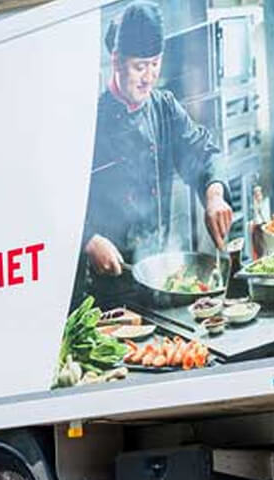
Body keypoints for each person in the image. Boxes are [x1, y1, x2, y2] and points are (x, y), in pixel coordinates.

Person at [80, 1, 234, 279]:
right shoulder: (90, 121)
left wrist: (214, 195)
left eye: (155, 64)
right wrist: (88, 240)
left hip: (159, 272)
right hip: (110, 281)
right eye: (140, 67)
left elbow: (203, 153)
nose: (149, 77)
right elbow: (57, 202)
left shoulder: (164, 107)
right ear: (116, 61)